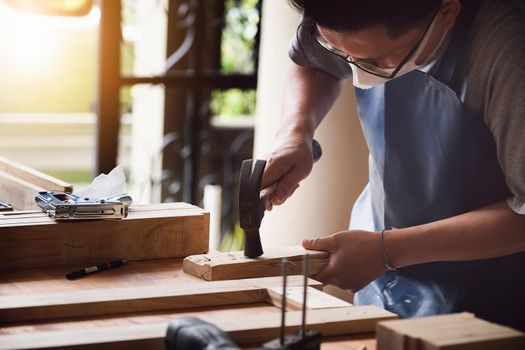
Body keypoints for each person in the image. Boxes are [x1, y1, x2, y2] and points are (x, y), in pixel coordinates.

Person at [261, 0, 525, 330]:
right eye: (341, 53)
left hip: (493, 301)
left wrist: (389, 251)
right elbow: (314, 62)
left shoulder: (507, 52)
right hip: (382, 264)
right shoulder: (353, 17)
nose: (356, 74)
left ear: (447, 13)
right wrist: (295, 132)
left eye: (374, 62)